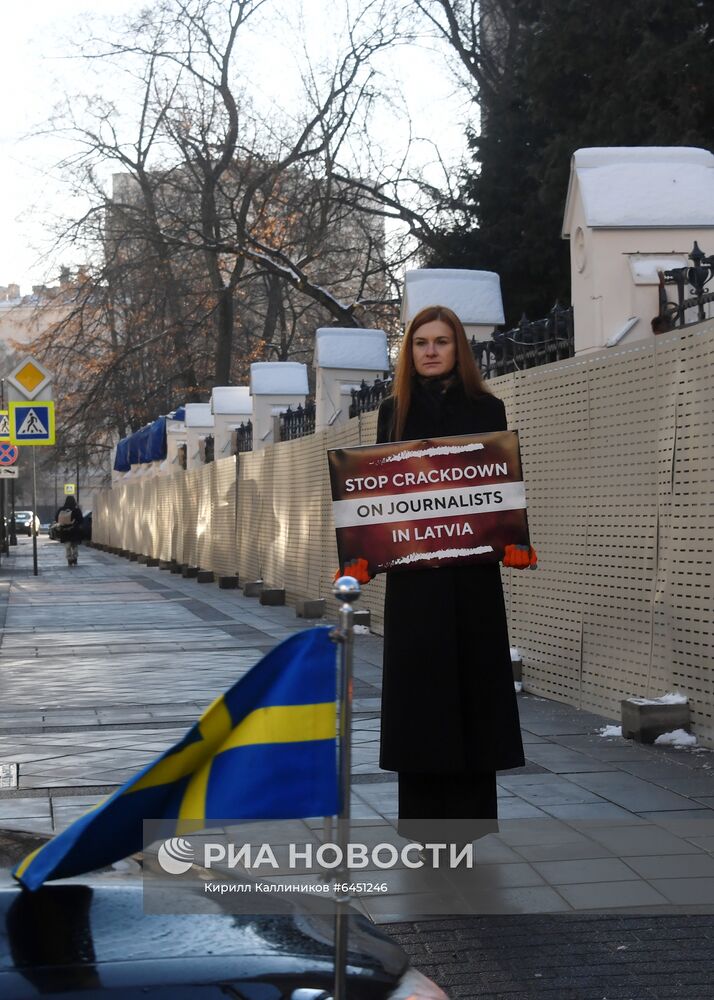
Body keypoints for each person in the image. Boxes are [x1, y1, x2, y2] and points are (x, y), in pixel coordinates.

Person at [376, 304, 533, 846]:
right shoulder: (392, 411)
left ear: (458, 348)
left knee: (472, 686)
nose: (432, 351)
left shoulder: (488, 407)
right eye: (422, 343)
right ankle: (422, 821)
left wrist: (513, 542)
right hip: (414, 579)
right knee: (419, 691)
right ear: (410, 351)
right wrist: (363, 550)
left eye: (442, 341)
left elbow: (500, 486)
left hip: (472, 579)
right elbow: (378, 494)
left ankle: (469, 820)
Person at [56, 495, 83, 567]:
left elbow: (56, 518)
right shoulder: (76, 509)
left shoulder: (62, 509)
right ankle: (75, 558)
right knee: (75, 545)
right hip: (74, 530)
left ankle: (69, 559)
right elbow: (81, 520)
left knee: (67, 546)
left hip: (65, 531)